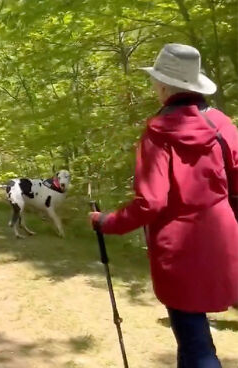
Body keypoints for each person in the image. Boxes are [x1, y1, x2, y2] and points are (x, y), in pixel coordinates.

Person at [89, 43, 238, 367]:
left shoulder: (157, 132)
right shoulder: (223, 125)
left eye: (156, 81)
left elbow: (151, 203)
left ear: (166, 86)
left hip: (180, 249)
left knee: (196, 345)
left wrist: (107, 222)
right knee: (193, 347)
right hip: (224, 240)